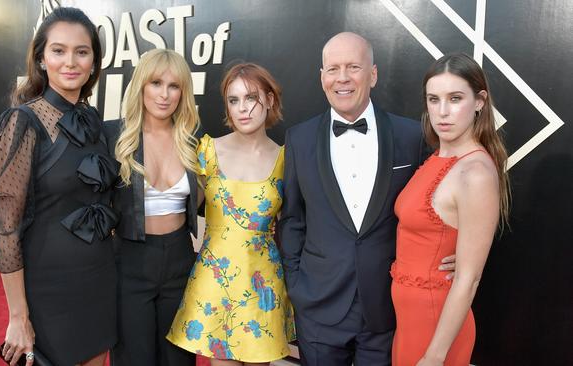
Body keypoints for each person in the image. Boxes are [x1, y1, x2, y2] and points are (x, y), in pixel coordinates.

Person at [278, 32, 455, 366]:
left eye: (353, 67)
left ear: (372, 74)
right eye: (333, 69)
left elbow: (435, 208)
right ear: (321, 77)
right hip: (318, 303)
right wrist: (297, 283)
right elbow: (292, 219)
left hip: (386, 306)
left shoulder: (412, 136)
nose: (342, 78)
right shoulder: (298, 139)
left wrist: (455, 252)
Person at [0, 7, 118, 366]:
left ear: (93, 61)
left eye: (81, 51)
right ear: (41, 58)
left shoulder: (93, 122)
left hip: (99, 280)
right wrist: (18, 317)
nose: (70, 61)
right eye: (58, 50)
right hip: (49, 290)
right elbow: (6, 229)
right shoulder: (22, 123)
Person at [167, 63, 295, 365]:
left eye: (251, 97)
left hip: (261, 283)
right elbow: (177, 205)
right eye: (233, 100)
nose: (242, 108)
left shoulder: (287, 159)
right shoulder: (207, 150)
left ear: (270, 100)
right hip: (215, 282)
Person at [391, 53, 510, 366]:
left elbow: (468, 279)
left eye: (455, 98)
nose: (442, 112)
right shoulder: (436, 158)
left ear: (480, 101)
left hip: (435, 332)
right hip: (410, 323)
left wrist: (434, 356)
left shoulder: (476, 173)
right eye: (434, 99)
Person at [104, 48, 200, 366]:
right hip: (130, 260)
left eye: (174, 86)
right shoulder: (114, 138)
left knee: (179, 359)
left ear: (183, 92)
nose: (164, 94)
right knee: (134, 358)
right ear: (141, 86)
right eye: (156, 83)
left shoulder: (192, 143)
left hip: (180, 259)